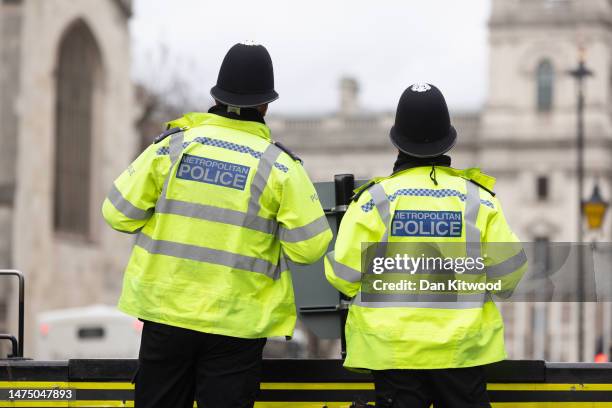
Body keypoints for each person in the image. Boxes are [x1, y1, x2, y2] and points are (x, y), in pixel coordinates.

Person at [102, 42, 332, 408]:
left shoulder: (172, 148)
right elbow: (310, 248)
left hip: (166, 313)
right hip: (236, 325)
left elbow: (117, 213)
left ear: (217, 95)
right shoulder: (282, 168)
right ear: (265, 104)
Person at [325, 83, 527, 408]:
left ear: (397, 141)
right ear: (448, 138)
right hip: (462, 353)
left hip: (393, 353)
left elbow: (342, 275)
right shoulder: (478, 199)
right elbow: (510, 277)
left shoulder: (374, 200)